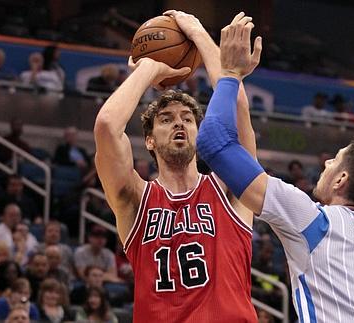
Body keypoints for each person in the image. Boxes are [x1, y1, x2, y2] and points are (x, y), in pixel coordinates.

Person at [196, 19, 354, 321]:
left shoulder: (314, 221)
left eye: (334, 161)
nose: (326, 164)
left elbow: (214, 141)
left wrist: (229, 74)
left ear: (342, 179)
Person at [93, 11, 258, 322]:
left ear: (199, 133)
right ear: (150, 141)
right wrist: (148, 67)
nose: (179, 124)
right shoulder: (135, 197)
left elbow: (236, 105)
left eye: (187, 119)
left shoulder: (229, 189)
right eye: (166, 120)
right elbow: (106, 126)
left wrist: (197, 33)